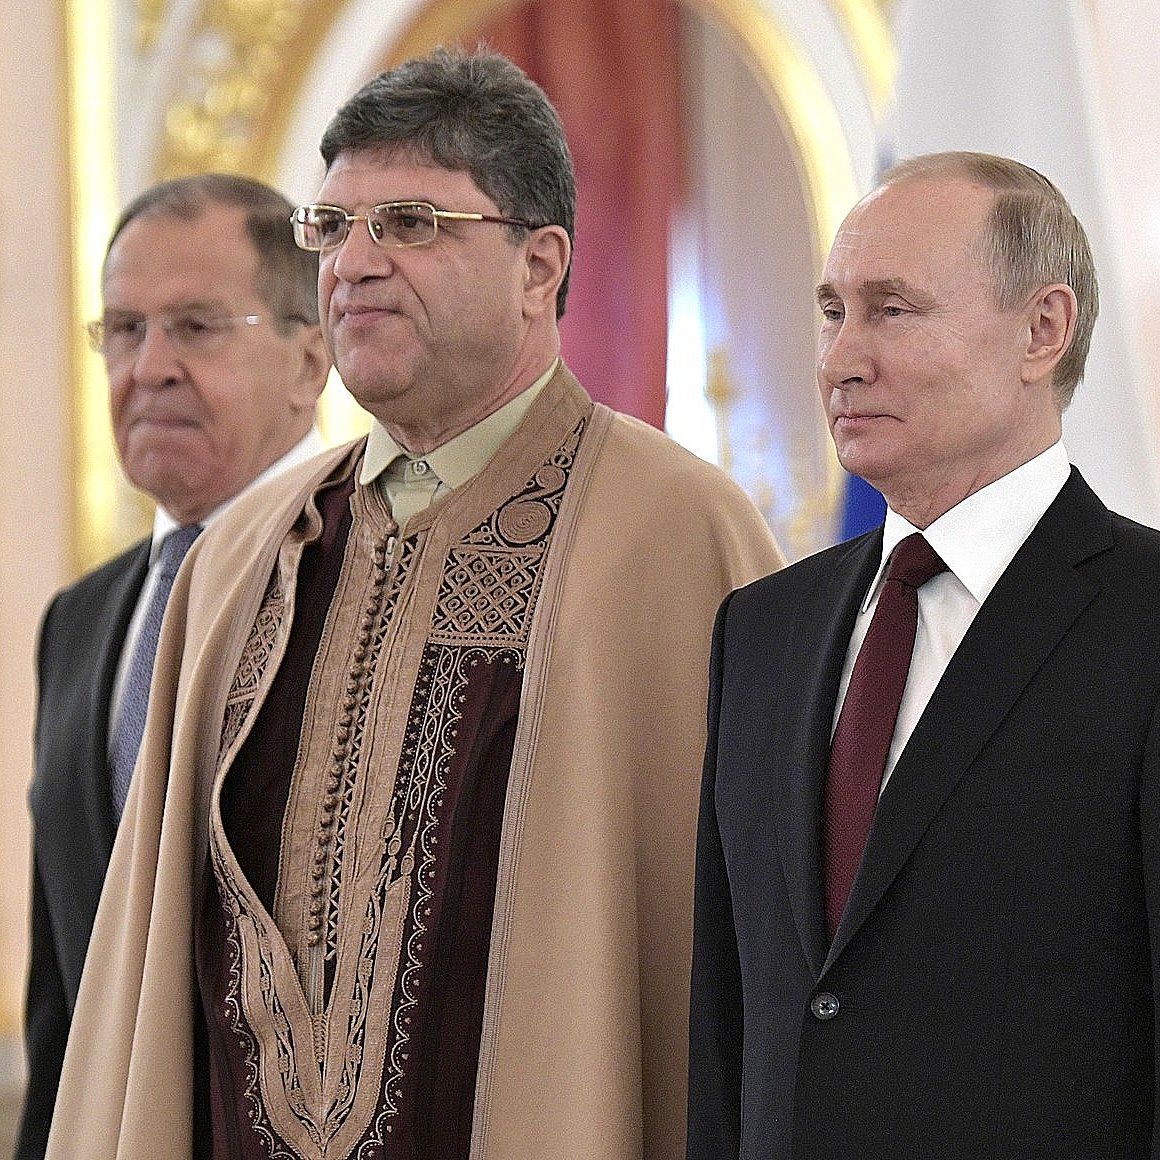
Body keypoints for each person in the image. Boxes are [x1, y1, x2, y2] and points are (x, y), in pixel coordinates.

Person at [44, 49, 782, 1160]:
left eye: (410, 223)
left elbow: (737, 962)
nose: (353, 264)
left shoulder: (676, 535)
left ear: (541, 265)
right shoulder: (243, 553)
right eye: (331, 227)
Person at [687, 149, 1160, 1158]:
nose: (840, 358)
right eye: (831, 311)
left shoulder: (1143, 616)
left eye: (891, 309)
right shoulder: (760, 629)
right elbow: (730, 1019)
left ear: (1041, 331)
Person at [17, 173, 331, 1160]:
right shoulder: (82, 619)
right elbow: (61, 997)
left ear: (309, 358)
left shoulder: (369, 581)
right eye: (122, 328)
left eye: (195, 326)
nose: (147, 366)